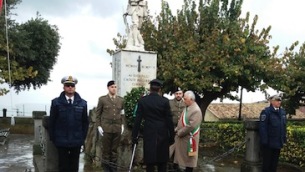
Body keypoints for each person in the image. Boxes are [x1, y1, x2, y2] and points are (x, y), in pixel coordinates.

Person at [132, 79, 175, 172]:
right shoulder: (164, 101)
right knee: (162, 163)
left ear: (150, 88)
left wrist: (134, 136)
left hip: (149, 132)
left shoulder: (143, 101)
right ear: (159, 89)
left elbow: (137, 120)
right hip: (162, 133)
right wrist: (172, 137)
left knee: (149, 162)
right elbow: (169, 121)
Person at [49, 76, 89, 172]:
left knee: (74, 167)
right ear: (63, 87)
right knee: (63, 167)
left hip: (76, 140)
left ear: (75, 87)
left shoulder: (82, 103)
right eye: (67, 85)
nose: (70, 87)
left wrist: (82, 138)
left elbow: (85, 122)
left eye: (72, 85)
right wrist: (54, 138)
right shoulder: (56, 103)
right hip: (61, 140)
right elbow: (52, 122)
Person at [96, 80, 124, 172]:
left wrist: (122, 124)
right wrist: (99, 126)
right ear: (108, 88)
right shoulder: (102, 99)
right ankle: (106, 169)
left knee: (114, 151)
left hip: (117, 128)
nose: (114, 89)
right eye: (112, 87)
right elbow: (98, 114)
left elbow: (122, 113)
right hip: (106, 128)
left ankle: (113, 169)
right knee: (106, 151)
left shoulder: (121, 100)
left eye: (115, 87)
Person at [174, 91, 202, 172]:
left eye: (185, 99)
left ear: (191, 99)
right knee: (182, 157)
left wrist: (180, 132)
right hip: (184, 138)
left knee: (190, 159)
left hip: (190, 138)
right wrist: (176, 129)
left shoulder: (196, 110)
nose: (183, 100)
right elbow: (181, 121)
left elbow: (191, 126)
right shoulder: (187, 107)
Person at [259, 95, 287, 172]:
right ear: (272, 101)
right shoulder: (266, 112)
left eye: (280, 100)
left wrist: (284, 139)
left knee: (274, 164)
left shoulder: (282, 112)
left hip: (278, 142)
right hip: (269, 143)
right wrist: (264, 141)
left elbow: (283, 127)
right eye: (277, 100)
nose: (279, 102)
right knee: (266, 164)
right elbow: (262, 127)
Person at [169, 87, 186, 170]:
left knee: (180, 147)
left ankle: (178, 163)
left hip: (182, 128)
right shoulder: (170, 103)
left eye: (180, 93)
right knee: (171, 145)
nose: (178, 95)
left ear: (182, 94)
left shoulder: (186, 103)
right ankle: (170, 163)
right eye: (177, 94)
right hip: (171, 127)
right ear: (174, 94)